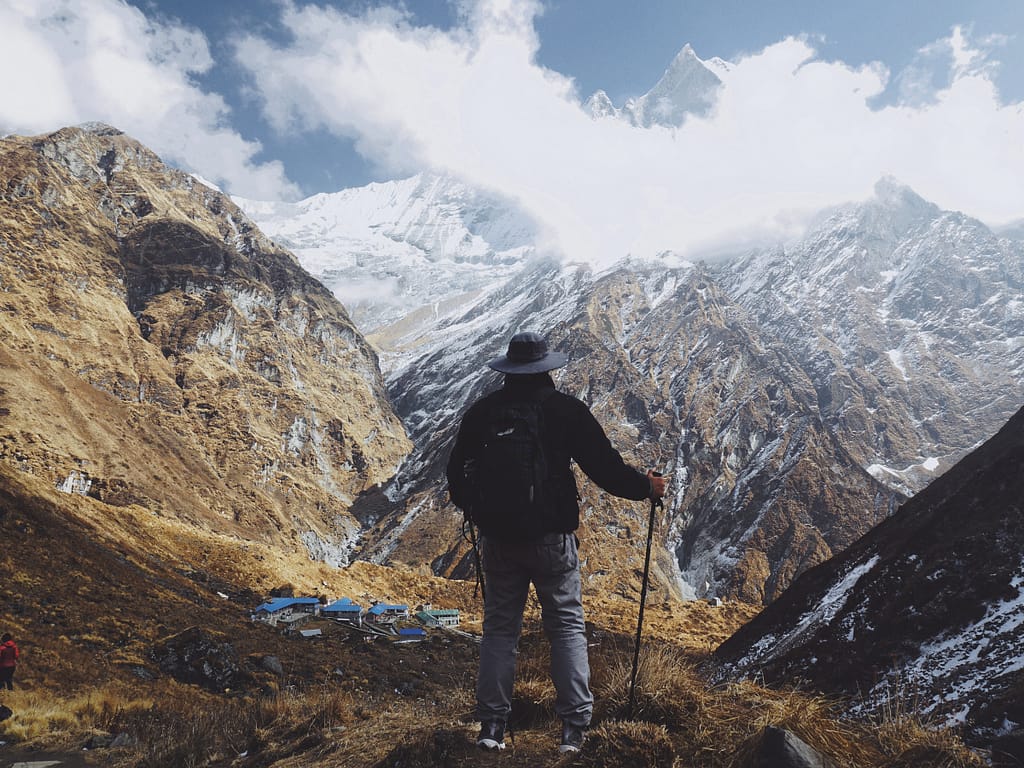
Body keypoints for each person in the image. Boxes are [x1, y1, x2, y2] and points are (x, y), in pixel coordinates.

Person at [446, 331, 667, 754]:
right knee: (566, 627)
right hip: (551, 540)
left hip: (498, 540)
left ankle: (492, 728)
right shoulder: (566, 411)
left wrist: (478, 512)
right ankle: (573, 731)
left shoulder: (484, 412)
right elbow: (606, 469)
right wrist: (647, 488)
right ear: (547, 368)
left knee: (499, 630)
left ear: (509, 370)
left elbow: (456, 474)